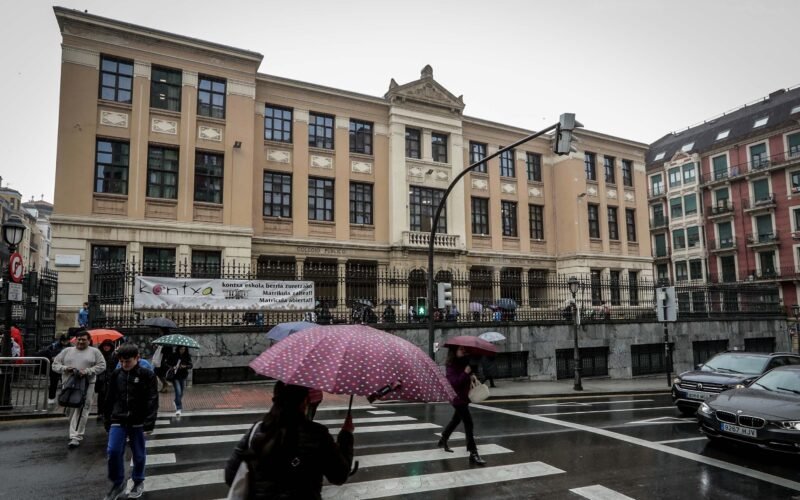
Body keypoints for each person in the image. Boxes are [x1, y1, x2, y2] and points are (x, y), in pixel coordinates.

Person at [224, 381, 354, 499]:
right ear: (304, 402)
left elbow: (231, 476)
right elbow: (339, 475)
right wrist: (346, 435)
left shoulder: (257, 430)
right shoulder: (317, 434)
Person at [103, 343, 158, 500]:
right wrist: (107, 419)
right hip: (118, 417)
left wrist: (149, 422)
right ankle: (118, 483)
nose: (124, 365)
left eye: (128, 361)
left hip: (138, 420)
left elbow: (152, 399)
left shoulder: (147, 375)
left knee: (138, 454)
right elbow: (109, 397)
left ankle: (138, 481)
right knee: (113, 451)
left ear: (137, 358)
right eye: (121, 361)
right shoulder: (116, 374)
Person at [52, 329, 106, 448]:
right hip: (69, 385)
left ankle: (76, 436)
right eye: (79, 339)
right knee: (70, 409)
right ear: (75, 340)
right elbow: (55, 365)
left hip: (87, 385)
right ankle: (74, 431)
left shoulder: (95, 352)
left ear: (89, 341)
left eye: (84, 340)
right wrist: (65, 368)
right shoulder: (66, 351)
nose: (81, 342)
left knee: (82, 409)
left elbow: (102, 366)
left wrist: (87, 371)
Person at [437, 345, 486, 465]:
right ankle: (473, 453)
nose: (463, 351)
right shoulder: (451, 365)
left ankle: (444, 438)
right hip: (457, 399)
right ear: (454, 351)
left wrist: (471, 375)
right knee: (469, 423)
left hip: (464, 398)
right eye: (460, 349)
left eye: (464, 349)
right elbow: (454, 383)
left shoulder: (465, 362)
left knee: (456, 420)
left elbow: (465, 378)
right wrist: (465, 372)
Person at [34, 333, 72, 404]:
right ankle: (51, 398)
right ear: (61, 340)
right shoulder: (54, 346)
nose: (66, 342)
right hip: (55, 368)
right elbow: (48, 354)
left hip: (65, 368)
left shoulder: (70, 347)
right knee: (54, 383)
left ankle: (65, 398)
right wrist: (52, 357)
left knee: (66, 383)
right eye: (64, 341)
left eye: (67, 340)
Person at [164, 345, 192, 416]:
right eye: (181, 349)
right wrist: (173, 367)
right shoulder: (173, 355)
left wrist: (185, 366)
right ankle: (178, 408)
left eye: (184, 349)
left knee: (181, 393)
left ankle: (176, 401)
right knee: (178, 391)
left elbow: (190, 365)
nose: (182, 351)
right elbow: (166, 363)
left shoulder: (187, 356)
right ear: (178, 349)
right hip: (175, 376)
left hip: (183, 376)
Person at [95, 339, 118, 420]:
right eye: (105, 345)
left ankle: (108, 412)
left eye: (108, 345)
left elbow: (116, 366)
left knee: (110, 396)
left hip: (111, 378)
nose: (106, 347)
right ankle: (100, 413)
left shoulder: (114, 355)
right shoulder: (99, 355)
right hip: (101, 379)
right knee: (101, 397)